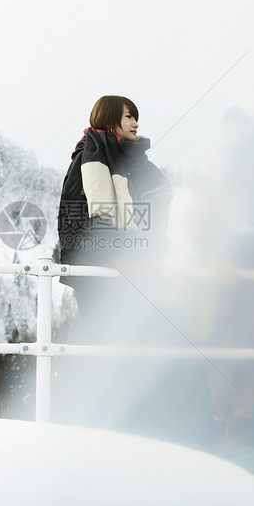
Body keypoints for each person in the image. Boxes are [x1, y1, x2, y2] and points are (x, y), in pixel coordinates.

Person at [56, 95, 172, 330]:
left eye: (136, 118)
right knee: (104, 348)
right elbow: (72, 219)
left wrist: (149, 255)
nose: (136, 123)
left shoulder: (138, 166)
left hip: (138, 274)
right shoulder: (86, 161)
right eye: (129, 117)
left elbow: (153, 216)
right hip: (98, 275)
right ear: (109, 120)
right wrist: (108, 258)